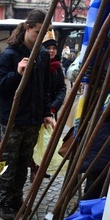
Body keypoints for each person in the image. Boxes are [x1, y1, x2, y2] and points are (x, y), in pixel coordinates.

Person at [0, 9, 55, 220]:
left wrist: (46, 112)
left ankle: (17, 200)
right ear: (28, 28)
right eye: (38, 32)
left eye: (44, 33)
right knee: (8, 164)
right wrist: (16, 74)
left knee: (24, 163)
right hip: (13, 121)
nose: (40, 37)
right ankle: (4, 201)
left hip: (33, 120)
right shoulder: (10, 54)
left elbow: (44, 89)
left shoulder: (43, 55)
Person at [30, 30, 66, 182]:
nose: (51, 51)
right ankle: (33, 168)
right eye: (49, 48)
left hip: (51, 111)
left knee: (48, 141)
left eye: (54, 48)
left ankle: (43, 166)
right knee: (35, 141)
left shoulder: (58, 68)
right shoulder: (38, 63)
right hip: (37, 110)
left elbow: (62, 89)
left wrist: (53, 107)